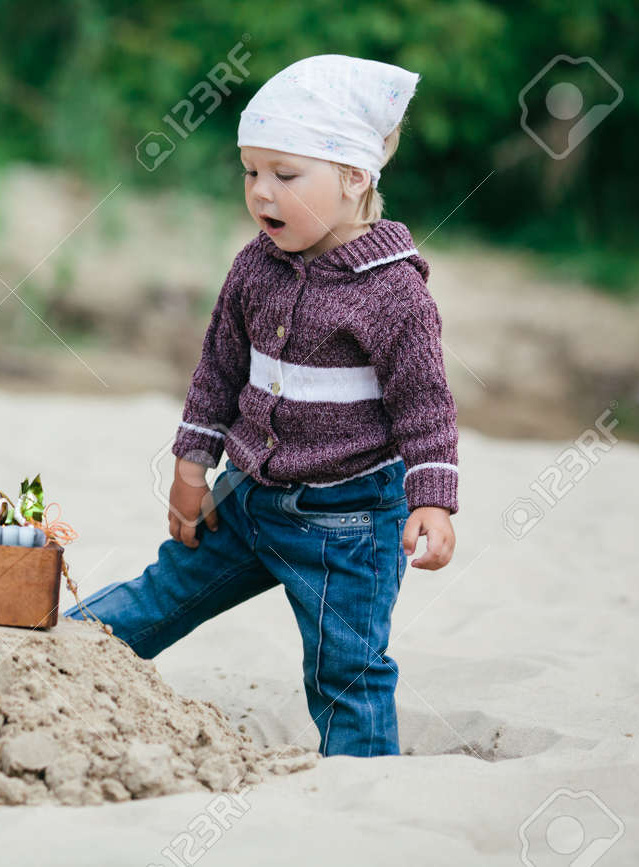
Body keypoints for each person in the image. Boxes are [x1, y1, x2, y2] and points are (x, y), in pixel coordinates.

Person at [62, 54, 459, 758]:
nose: (261, 192)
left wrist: (432, 497)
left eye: (285, 174)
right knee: (157, 597)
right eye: (250, 171)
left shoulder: (393, 293)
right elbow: (217, 371)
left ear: (354, 177)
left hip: (349, 524)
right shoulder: (255, 266)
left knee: (347, 669)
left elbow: (424, 407)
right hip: (244, 500)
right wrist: (191, 464)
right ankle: (48, 660)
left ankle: (362, 785)